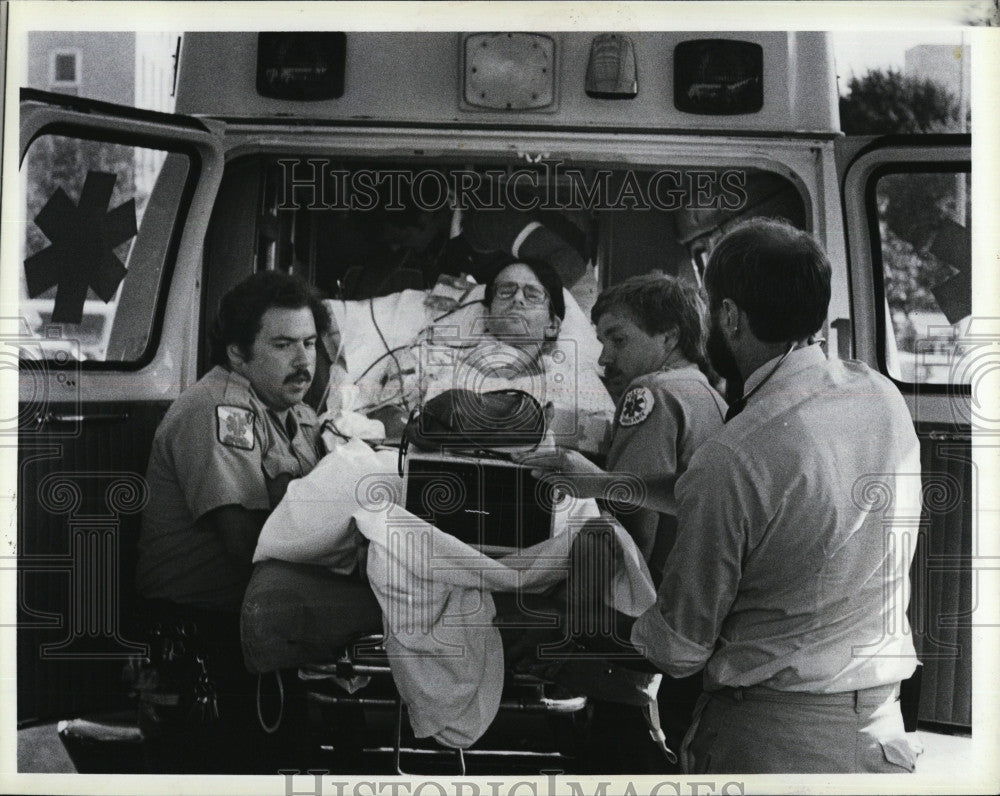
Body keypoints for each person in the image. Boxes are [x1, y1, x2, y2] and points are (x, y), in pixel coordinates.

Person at [627, 218, 922, 773]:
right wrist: (599, 483)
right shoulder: (880, 396)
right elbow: (776, 507)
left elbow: (682, 648)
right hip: (878, 732)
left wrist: (617, 621)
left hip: (773, 742)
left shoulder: (736, 454)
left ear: (731, 317)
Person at [510, 273, 727, 771]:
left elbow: (629, 525)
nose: (605, 357)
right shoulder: (707, 394)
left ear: (669, 337)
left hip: (642, 607)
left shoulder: (648, 392)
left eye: (619, 338)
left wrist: (581, 623)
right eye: (601, 340)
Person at [134, 270, 332, 770]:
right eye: (283, 344)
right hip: (201, 636)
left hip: (257, 622)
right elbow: (243, 543)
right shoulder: (220, 410)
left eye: (309, 343)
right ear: (238, 356)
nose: (303, 360)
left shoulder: (297, 414)